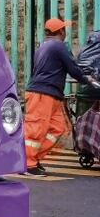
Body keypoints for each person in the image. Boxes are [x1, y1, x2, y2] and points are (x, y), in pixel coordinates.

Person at [25, 18, 96, 175]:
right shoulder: (59, 46)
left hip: (50, 94)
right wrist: (87, 80)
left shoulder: (43, 46)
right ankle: (28, 164)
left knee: (58, 128)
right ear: (61, 31)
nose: (66, 33)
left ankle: (33, 158)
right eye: (65, 30)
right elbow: (73, 68)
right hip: (42, 94)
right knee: (36, 130)